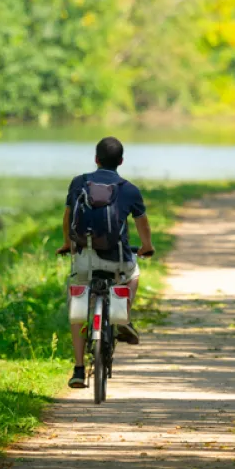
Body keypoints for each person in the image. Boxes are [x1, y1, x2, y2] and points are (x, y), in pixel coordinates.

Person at [56, 136, 155, 389]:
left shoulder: (78, 183)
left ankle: (79, 369)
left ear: (96, 159)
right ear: (121, 161)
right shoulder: (129, 189)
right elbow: (142, 224)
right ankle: (123, 317)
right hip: (118, 260)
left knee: (78, 305)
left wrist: (68, 244)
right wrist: (146, 247)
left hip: (84, 259)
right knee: (133, 274)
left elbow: (68, 217)